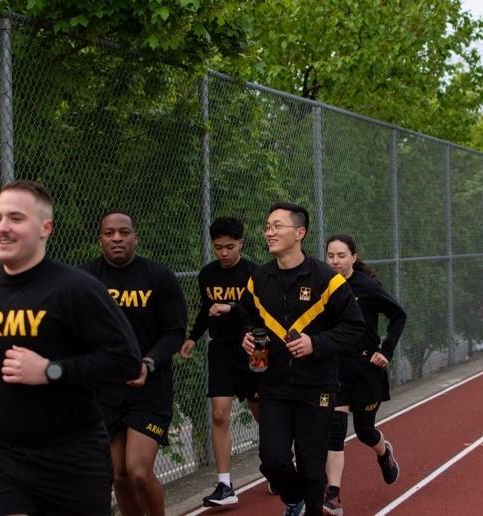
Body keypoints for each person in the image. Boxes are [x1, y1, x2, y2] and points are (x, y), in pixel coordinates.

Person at [0, 180, 141, 516]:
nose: (2, 228)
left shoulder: (77, 289)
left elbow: (126, 360)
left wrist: (50, 371)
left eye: (15, 218)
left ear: (46, 228)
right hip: (0, 456)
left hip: (72, 458)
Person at [239, 202, 364, 516]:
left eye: (277, 226)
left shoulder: (327, 279)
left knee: (311, 466)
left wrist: (315, 343)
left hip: (317, 386)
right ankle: (294, 500)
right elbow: (245, 316)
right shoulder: (258, 279)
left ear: (300, 233)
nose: (269, 232)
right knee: (272, 460)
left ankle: (310, 508)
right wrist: (247, 335)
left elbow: (354, 328)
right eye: (267, 227)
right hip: (274, 385)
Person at [83, 209, 187, 516]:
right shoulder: (85, 279)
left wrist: (149, 362)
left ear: (135, 237)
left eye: (124, 232)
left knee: (139, 470)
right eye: (109, 233)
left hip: (149, 388)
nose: (117, 238)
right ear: (100, 239)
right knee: (119, 473)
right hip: (107, 391)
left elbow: (175, 332)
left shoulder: (159, 277)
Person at [322, 234, 407, 515]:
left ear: (353, 257)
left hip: (366, 368)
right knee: (335, 431)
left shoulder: (367, 286)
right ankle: (333, 496)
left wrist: (386, 349)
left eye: (341, 255)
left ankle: (384, 452)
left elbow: (398, 315)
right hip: (336, 367)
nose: (335, 261)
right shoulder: (322, 285)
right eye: (330, 256)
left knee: (364, 431)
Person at [179, 217, 259, 507]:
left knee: (261, 411)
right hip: (221, 351)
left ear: (241, 244)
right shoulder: (207, 274)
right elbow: (206, 309)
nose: (224, 253)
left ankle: (277, 459)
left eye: (230, 247)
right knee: (219, 415)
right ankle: (225, 485)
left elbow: (260, 312)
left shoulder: (255, 274)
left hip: (251, 349)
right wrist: (193, 337)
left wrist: (231, 307)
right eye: (218, 247)